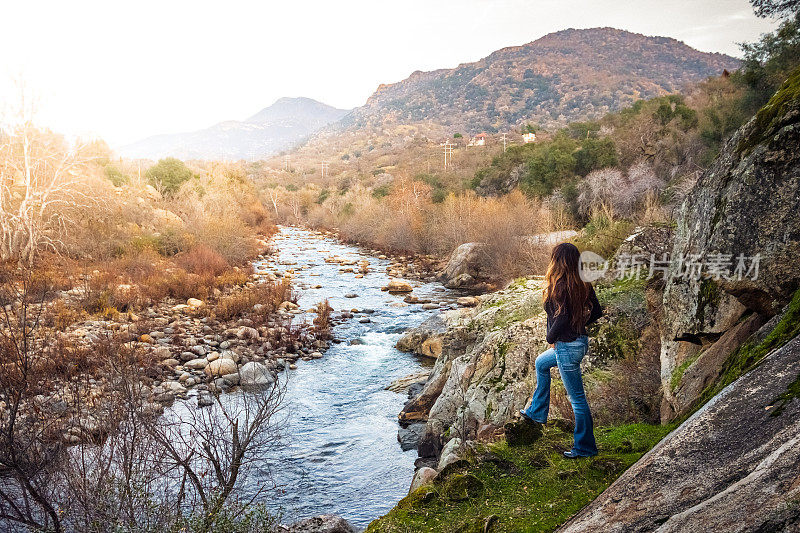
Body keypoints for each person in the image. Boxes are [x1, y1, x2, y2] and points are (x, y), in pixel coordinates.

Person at [520, 242, 603, 458]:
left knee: (577, 400)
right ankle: (537, 412)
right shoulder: (582, 283)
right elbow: (597, 311)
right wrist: (580, 325)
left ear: (559, 261)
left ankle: (585, 448)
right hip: (578, 342)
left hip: (566, 347)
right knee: (541, 363)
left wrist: (551, 337)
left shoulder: (561, 285)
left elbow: (562, 317)